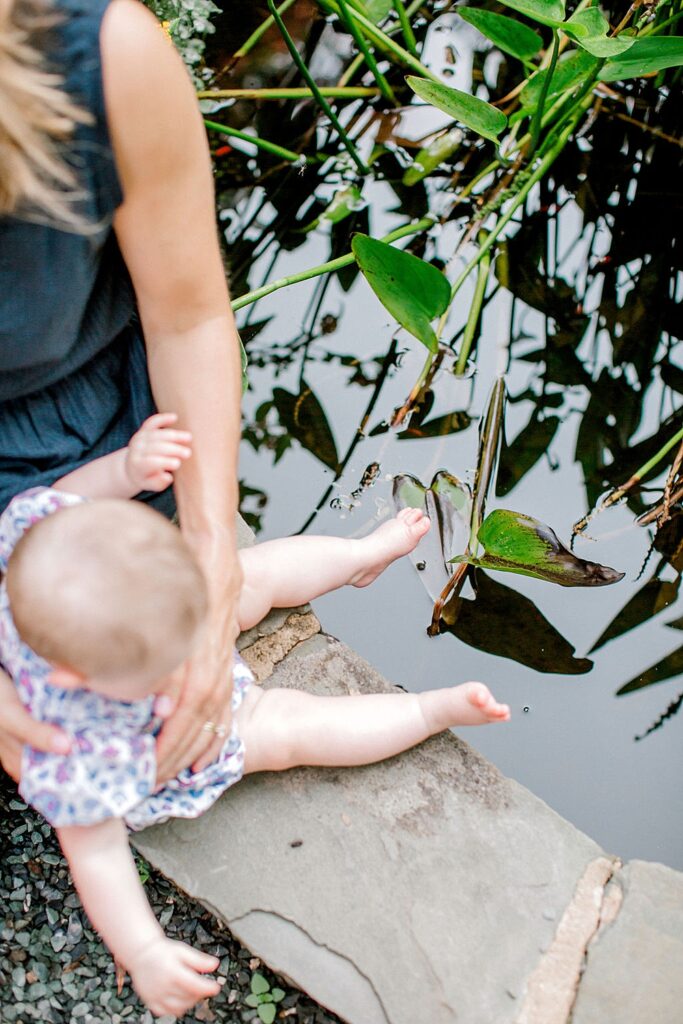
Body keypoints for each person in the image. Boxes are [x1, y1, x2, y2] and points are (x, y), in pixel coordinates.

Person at [0, 415, 510, 1018]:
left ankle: (361, 556)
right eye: (164, 667)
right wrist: (142, 950)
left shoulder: (30, 536)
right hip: (180, 744)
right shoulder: (77, 755)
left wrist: (126, 469)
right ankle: (426, 711)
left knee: (251, 574)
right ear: (76, 681)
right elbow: (98, 856)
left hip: (173, 614)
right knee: (289, 729)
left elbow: (70, 499)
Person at [0, 0, 243, 786]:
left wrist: (213, 553)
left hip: (85, 442)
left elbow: (190, 317)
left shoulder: (103, 54)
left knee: (207, 719)